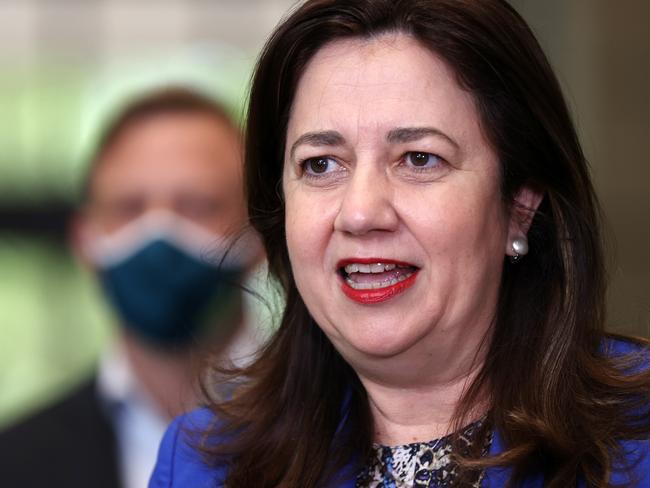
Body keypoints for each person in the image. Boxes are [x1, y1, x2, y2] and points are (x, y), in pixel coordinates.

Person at [150, 1, 650, 487]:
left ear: (519, 205)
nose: (361, 213)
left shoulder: (639, 439)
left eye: (418, 159)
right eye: (321, 163)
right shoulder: (203, 465)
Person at [0, 87, 264, 488]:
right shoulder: (14, 461)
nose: (158, 235)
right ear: (84, 241)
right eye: (129, 208)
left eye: (197, 205)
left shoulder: (348, 429)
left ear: (261, 234)